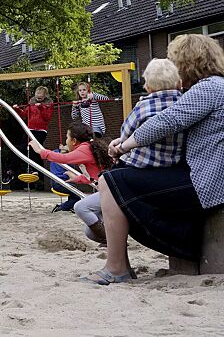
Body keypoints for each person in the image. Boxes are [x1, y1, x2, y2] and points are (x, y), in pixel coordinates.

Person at [89, 34, 224, 285]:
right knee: (116, 180)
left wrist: (124, 146)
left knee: (110, 180)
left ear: (187, 63)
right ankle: (120, 265)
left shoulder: (209, 88)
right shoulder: (213, 87)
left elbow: (167, 121)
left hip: (207, 184)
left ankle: (116, 267)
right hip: (203, 177)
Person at [73, 58, 184, 245]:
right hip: (172, 174)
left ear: (148, 87)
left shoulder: (143, 107)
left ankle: (116, 252)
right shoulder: (185, 105)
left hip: (139, 177)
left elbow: (125, 136)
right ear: (179, 83)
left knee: (88, 204)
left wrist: (119, 146)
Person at [29, 121, 113, 213]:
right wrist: (77, 178)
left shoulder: (84, 149)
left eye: (67, 137)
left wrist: (41, 151)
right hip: (108, 189)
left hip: (110, 191)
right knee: (94, 214)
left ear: (74, 141)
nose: (66, 141)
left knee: (80, 207)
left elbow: (64, 158)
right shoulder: (89, 148)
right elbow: (93, 177)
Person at [9, 86, 53, 181]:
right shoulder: (31, 103)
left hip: (41, 130)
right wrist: (17, 109)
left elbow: (47, 118)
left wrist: (41, 108)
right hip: (30, 129)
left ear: (45, 96)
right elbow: (24, 115)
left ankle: (36, 170)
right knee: (22, 148)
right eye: (37, 96)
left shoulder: (48, 104)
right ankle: (12, 169)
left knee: (34, 149)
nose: (38, 98)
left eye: (40, 97)